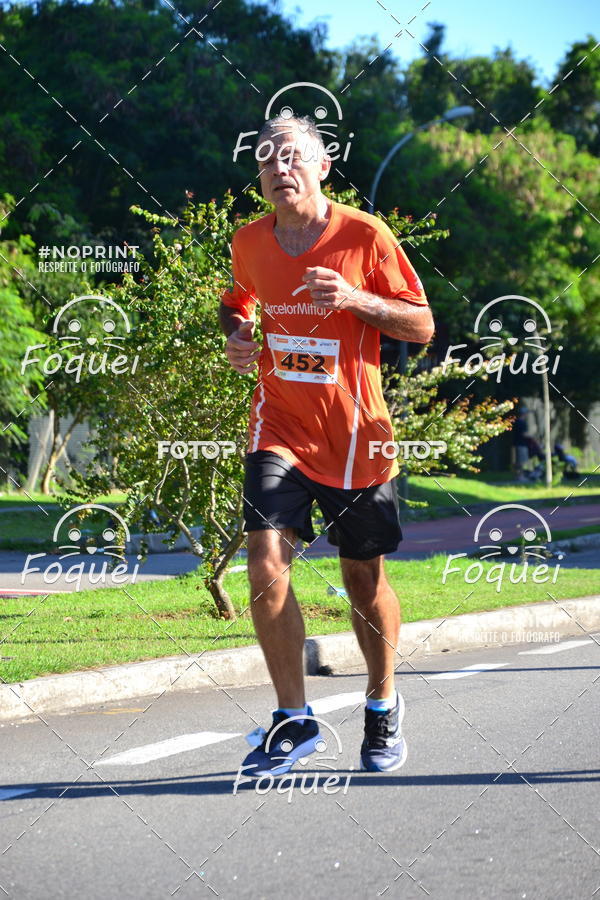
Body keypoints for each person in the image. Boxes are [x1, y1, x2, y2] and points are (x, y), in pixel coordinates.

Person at [219, 114, 434, 776]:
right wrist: (236, 333)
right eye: (266, 161)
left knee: (362, 581)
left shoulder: (365, 237)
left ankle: (381, 703)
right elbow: (236, 302)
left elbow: (421, 324)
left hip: (355, 439)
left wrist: (356, 297)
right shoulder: (250, 241)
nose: (278, 168)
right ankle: (293, 717)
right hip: (278, 425)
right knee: (264, 556)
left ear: (321, 167)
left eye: (291, 157)